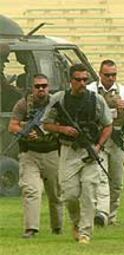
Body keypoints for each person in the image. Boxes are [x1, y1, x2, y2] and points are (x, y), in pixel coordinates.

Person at [43, 63, 113, 244]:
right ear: (70, 80)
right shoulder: (60, 99)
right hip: (68, 150)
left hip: (90, 150)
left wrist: (98, 146)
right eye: (78, 80)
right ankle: (76, 222)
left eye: (85, 79)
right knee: (69, 194)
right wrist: (63, 129)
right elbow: (46, 124)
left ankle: (85, 233)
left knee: (89, 191)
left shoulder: (96, 100)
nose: (82, 83)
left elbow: (108, 125)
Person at [8, 73, 63, 238]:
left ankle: (57, 226)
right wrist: (25, 132)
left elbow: (65, 125)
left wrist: (49, 128)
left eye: (44, 86)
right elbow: (12, 126)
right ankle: (31, 228)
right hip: (30, 153)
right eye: (37, 86)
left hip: (52, 152)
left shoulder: (56, 103)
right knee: (31, 190)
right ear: (32, 88)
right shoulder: (23, 104)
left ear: (48, 87)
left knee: (55, 193)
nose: (41, 89)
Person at [87, 59, 124, 227]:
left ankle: (111, 216)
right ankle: (101, 213)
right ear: (100, 74)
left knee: (116, 182)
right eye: (107, 75)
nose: (111, 78)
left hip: (116, 141)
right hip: (98, 139)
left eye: (114, 75)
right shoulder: (90, 91)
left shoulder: (123, 91)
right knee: (101, 178)